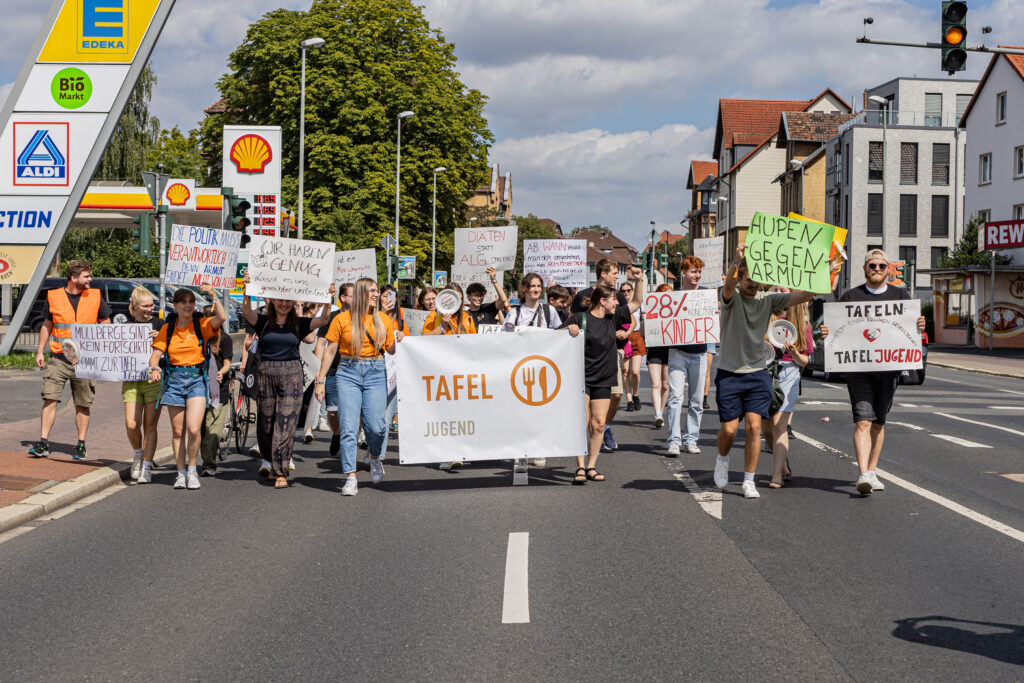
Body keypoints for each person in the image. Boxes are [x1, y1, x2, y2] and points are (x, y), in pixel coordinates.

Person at [820, 249, 925, 496]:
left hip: (888, 371)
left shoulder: (901, 295)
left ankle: (873, 470)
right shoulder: (851, 296)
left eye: (881, 266)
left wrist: (919, 325)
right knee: (863, 420)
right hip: (858, 370)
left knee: (878, 423)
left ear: (888, 269)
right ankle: (863, 474)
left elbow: (909, 330)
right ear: (864, 269)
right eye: (872, 266)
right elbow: (838, 329)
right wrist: (828, 332)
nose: (876, 269)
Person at [713, 246, 814, 499]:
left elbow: (803, 297)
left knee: (754, 428)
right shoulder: (731, 296)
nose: (753, 285)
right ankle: (722, 459)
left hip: (757, 373)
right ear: (740, 278)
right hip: (729, 372)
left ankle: (749, 480)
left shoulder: (767, 299)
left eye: (757, 281)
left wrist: (820, 272)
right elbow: (727, 288)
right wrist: (734, 264)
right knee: (728, 430)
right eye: (748, 280)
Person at [240, 273, 334, 488]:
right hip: (266, 372)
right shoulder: (262, 321)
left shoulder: (299, 323)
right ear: (273, 301)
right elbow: (246, 310)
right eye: (280, 300)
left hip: (292, 373)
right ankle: (271, 460)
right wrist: (247, 289)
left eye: (287, 300)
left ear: (293, 303)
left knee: (286, 422)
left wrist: (329, 298)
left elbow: (323, 320)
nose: (283, 304)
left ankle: (280, 470)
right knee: (266, 423)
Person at [315, 278, 403, 496]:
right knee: (348, 427)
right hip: (348, 372)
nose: (376, 294)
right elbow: (329, 350)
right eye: (372, 291)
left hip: (375, 371)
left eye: (377, 291)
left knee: (377, 426)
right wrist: (321, 380)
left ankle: (374, 457)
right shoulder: (342, 319)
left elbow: (391, 350)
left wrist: (397, 336)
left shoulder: (383, 319)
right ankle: (350, 476)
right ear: (363, 293)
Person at [29, 260, 112, 460]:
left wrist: (98, 348)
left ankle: (81, 445)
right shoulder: (54, 296)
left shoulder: (95, 296)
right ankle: (43, 442)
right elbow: (47, 325)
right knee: (50, 399)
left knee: (83, 404)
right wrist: (40, 351)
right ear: (74, 278)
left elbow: (106, 322)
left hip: (85, 361)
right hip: (58, 358)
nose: (90, 279)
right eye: (86, 276)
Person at [148, 285, 226, 490]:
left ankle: (192, 470)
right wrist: (154, 369)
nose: (188, 305)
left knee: (193, 428)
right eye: (184, 301)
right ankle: (180, 472)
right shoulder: (168, 328)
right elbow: (155, 355)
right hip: (173, 380)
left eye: (191, 301)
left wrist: (212, 295)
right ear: (175, 305)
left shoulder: (201, 324)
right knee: (177, 431)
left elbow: (222, 317)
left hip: (196, 379)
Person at [570, 259, 644, 451]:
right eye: (614, 272)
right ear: (603, 274)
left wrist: (639, 281)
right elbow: (574, 322)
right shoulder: (582, 296)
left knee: (617, 395)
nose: (617, 276)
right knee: (586, 407)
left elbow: (633, 309)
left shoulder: (617, 295)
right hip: (587, 356)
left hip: (613, 350)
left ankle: (604, 426)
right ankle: (591, 436)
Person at [561, 284, 620, 484]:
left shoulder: (613, 319)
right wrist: (569, 330)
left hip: (604, 378)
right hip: (581, 377)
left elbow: (637, 303)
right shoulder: (580, 318)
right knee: (582, 422)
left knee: (599, 424)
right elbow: (553, 339)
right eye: (614, 299)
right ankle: (579, 465)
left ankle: (591, 466)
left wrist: (639, 281)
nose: (617, 303)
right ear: (602, 301)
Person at [665, 256, 710, 457]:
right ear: (683, 273)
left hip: (699, 352)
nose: (697, 275)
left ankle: (691, 439)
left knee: (697, 400)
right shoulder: (674, 296)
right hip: (677, 352)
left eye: (699, 272)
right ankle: (674, 441)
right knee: (675, 397)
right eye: (693, 271)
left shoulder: (706, 296)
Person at [765, 292, 811, 488]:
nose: (782, 295)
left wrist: (793, 353)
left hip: (789, 372)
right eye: (780, 290)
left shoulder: (802, 326)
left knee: (779, 424)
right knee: (766, 429)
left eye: (786, 292)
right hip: (765, 370)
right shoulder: (766, 318)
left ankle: (776, 475)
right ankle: (782, 463)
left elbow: (805, 361)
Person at [123, 287, 162, 482]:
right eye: (145, 306)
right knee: (131, 423)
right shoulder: (125, 325)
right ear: (135, 306)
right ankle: (138, 453)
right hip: (131, 380)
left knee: (150, 425)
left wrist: (159, 339)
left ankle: (146, 465)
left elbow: (170, 351)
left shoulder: (160, 324)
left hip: (153, 380)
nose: (149, 310)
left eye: (151, 305)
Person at [315, 282, 353, 457]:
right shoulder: (332, 318)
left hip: (353, 369)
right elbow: (321, 343)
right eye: (353, 295)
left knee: (354, 409)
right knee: (332, 410)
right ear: (343, 298)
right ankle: (337, 434)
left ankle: (350, 440)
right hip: (332, 370)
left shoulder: (362, 317)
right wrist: (318, 369)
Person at [199, 303, 233, 477]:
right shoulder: (199, 338)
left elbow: (227, 363)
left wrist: (221, 372)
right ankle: (208, 456)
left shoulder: (225, 339)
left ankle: (208, 464)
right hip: (199, 387)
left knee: (212, 427)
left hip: (219, 390)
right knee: (201, 428)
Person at [647, 284, 672, 429]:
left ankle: (661, 411)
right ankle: (658, 414)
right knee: (656, 384)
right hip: (655, 348)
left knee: (665, 384)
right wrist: (646, 319)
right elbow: (644, 332)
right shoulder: (652, 311)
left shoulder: (675, 312)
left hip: (670, 349)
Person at [620, 280, 645, 412]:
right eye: (623, 291)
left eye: (628, 290)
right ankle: (629, 400)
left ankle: (635, 395)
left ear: (632, 291)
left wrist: (644, 317)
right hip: (623, 338)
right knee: (626, 372)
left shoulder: (639, 304)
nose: (625, 293)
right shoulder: (618, 305)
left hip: (636, 336)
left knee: (635, 371)